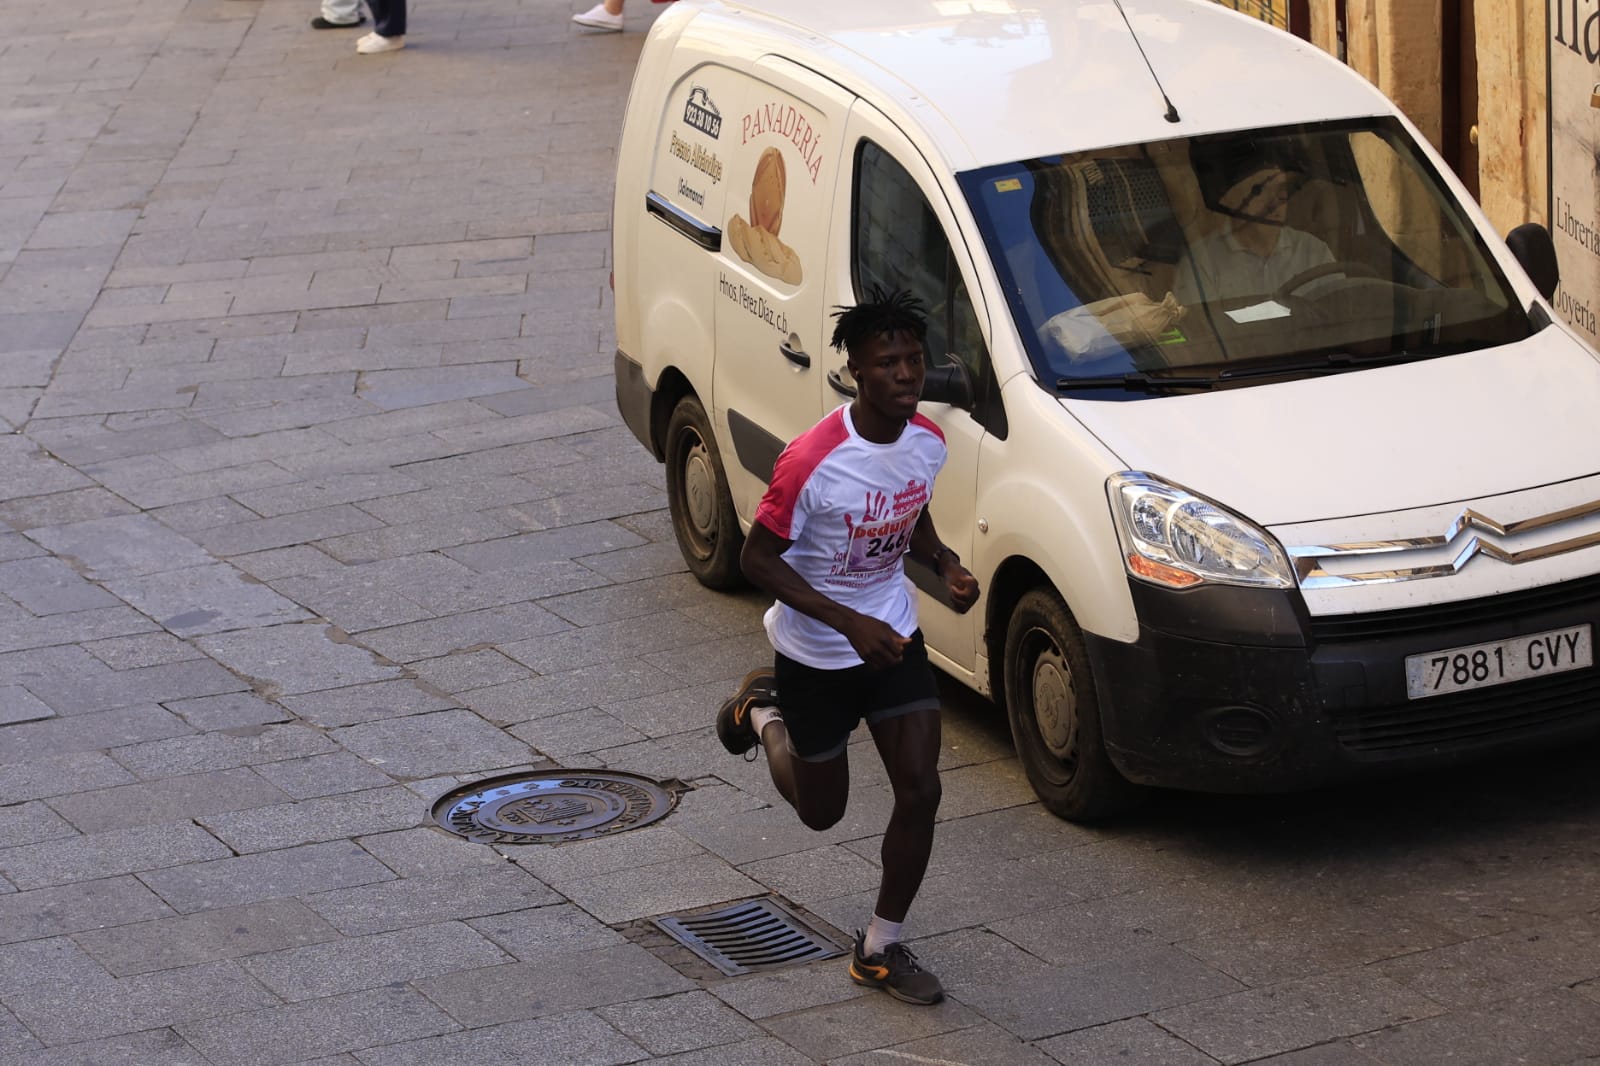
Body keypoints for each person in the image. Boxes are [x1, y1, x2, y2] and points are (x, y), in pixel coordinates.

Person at [715, 287, 980, 1006]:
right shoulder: (811, 461)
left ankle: (880, 948)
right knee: (820, 811)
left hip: (893, 639)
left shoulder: (928, 442)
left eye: (914, 361)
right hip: (817, 656)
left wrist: (945, 563)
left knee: (922, 788)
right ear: (856, 373)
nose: (904, 374)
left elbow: (911, 509)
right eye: (887, 363)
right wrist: (843, 622)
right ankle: (762, 715)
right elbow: (757, 561)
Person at [1173, 160, 1335, 306]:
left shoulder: (1314, 251)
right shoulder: (1202, 262)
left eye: (1281, 190)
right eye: (1259, 191)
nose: (1274, 203)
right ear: (1230, 199)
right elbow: (1202, 331)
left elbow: (1337, 312)